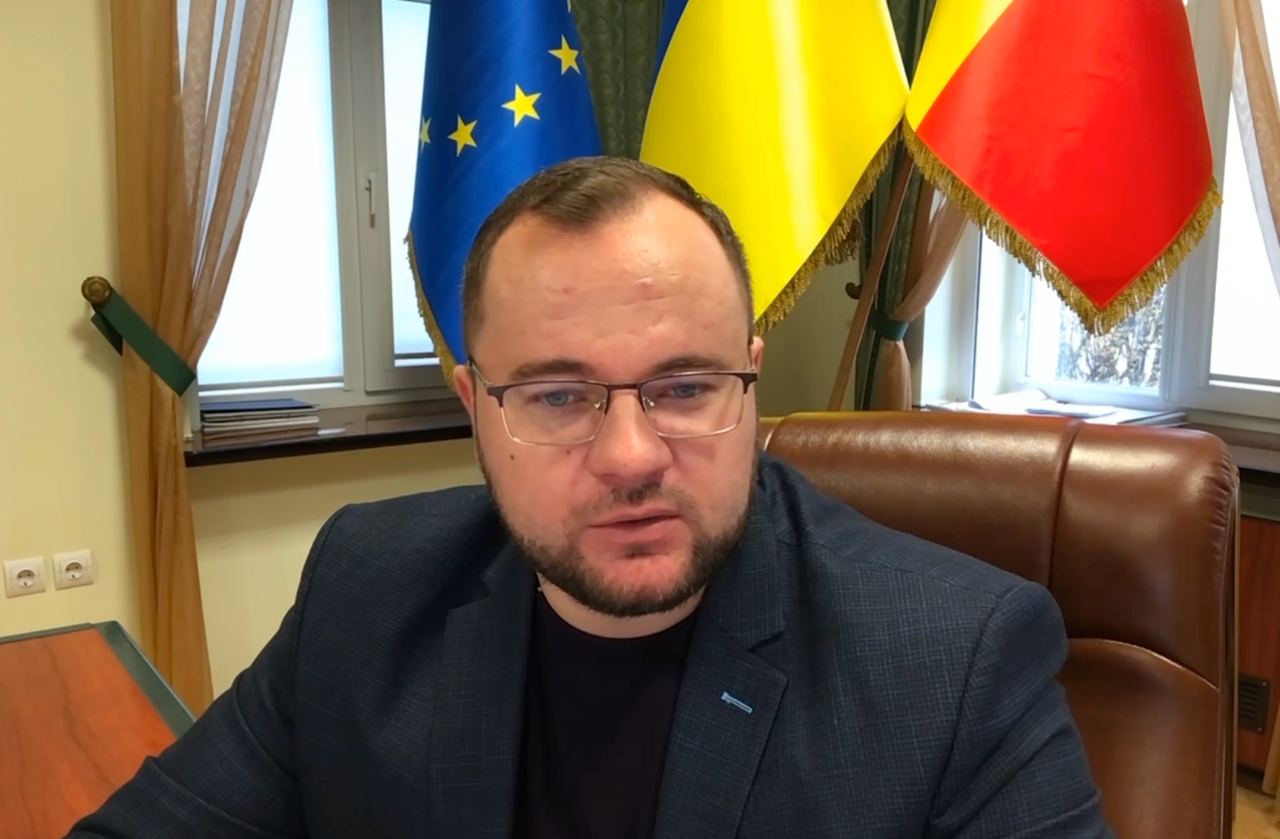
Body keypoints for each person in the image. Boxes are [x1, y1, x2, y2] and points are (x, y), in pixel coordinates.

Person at [71, 156, 1110, 838]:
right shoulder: (367, 585)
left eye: (686, 387)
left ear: (749, 383)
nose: (629, 456)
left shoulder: (954, 659)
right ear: (475, 407)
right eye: (558, 396)